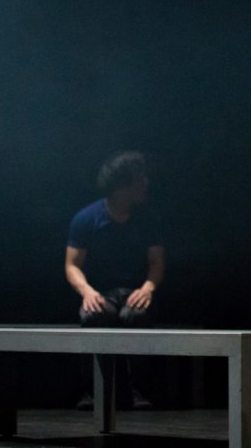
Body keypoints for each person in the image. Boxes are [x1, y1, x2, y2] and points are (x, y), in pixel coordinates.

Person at [64, 151, 164, 410]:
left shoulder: (148, 218)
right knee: (93, 316)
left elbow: (156, 262)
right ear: (123, 185)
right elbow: (72, 265)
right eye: (140, 180)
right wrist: (86, 291)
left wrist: (148, 288)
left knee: (137, 315)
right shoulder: (87, 218)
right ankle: (93, 392)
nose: (146, 184)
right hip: (101, 292)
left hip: (134, 290)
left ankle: (139, 391)